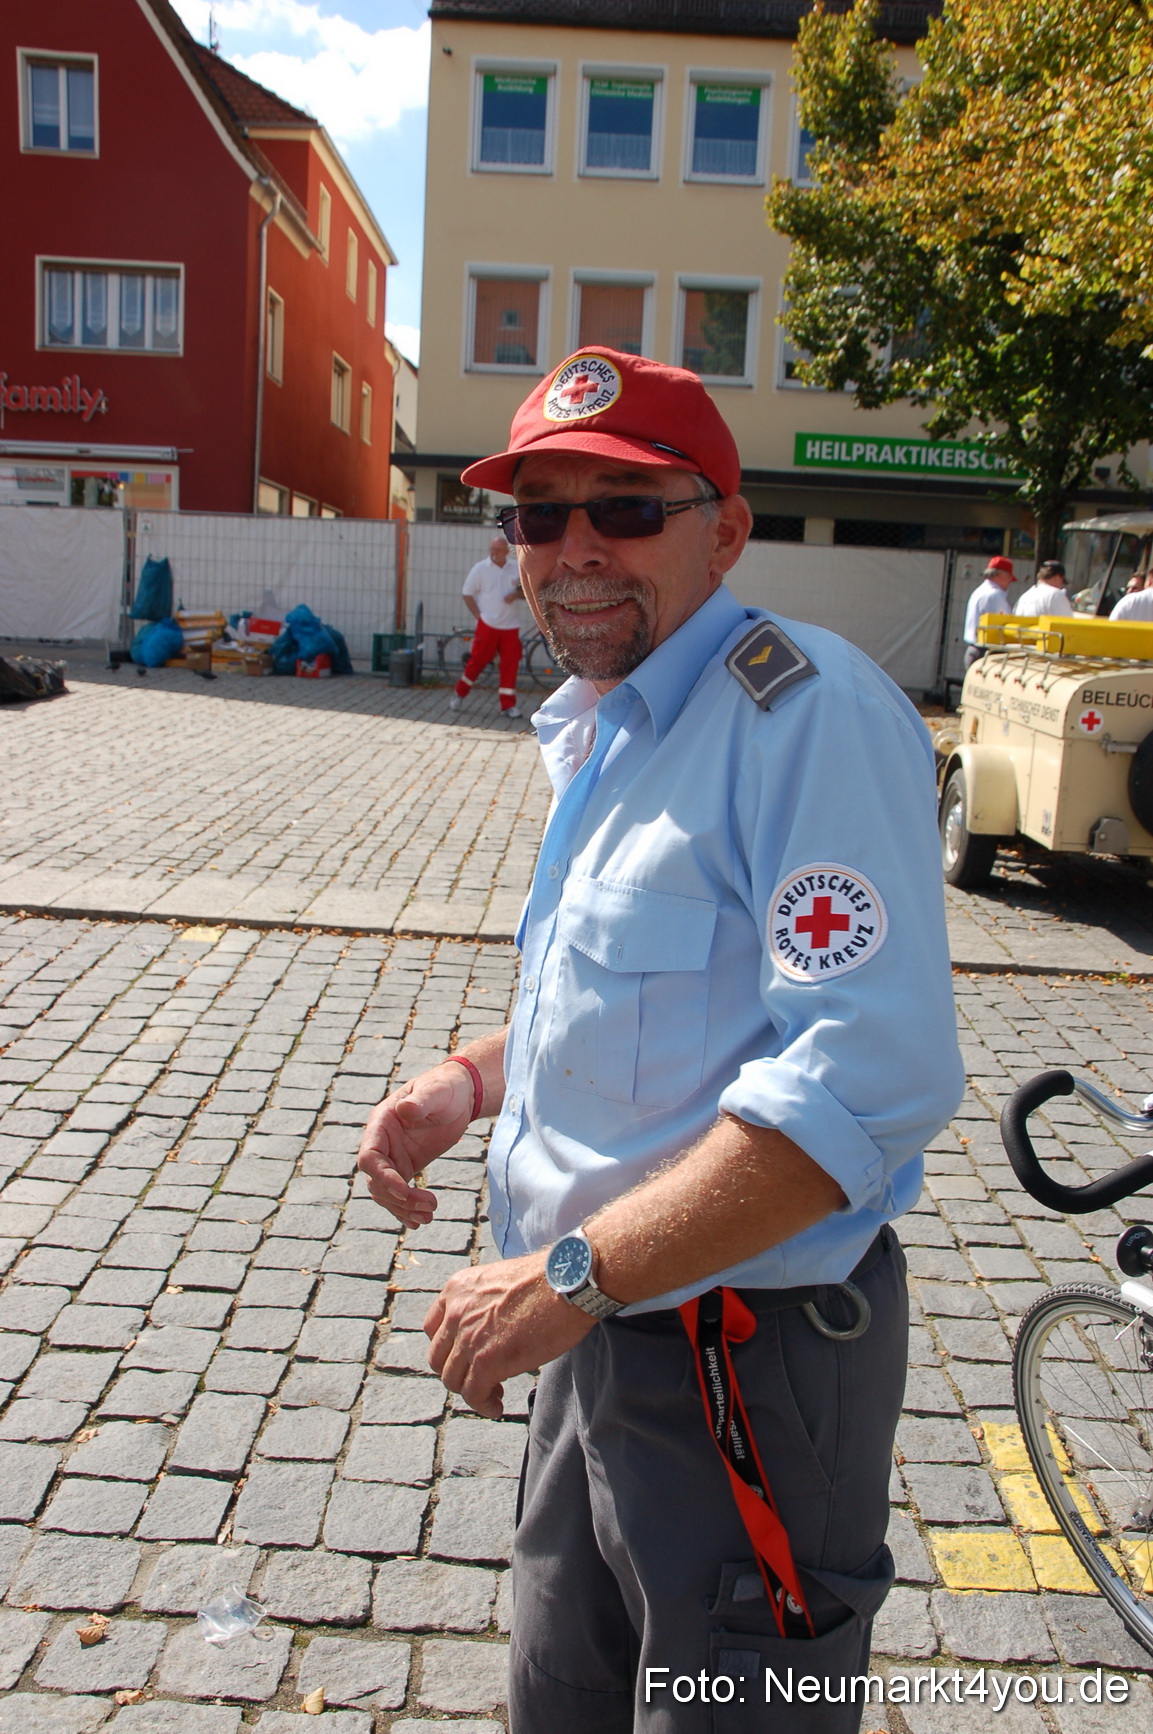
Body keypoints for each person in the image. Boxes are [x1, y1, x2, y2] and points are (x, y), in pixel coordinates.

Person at [358, 348, 964, 1734]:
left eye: (625, 508)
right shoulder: (613, 722)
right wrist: (467, 1082)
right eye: (536, 513)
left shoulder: (802, 713)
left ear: (726, 530)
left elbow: (857, 1090)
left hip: (735, 1357)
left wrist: (570, 1271)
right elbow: (629, 994)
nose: (572, 549)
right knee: (561, 1703)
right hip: (594, 1332)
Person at [450, 535, 524, 717]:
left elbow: (526, 591)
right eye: (492, 549)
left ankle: (508, 706)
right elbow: (467, 593)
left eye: (498, 550)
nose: (494, 553)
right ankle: (460, 693)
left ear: (507, 551)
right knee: (477, 661)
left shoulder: (516, 567)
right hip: (488, 624)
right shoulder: (480, 569)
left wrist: (516, 594)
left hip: (510, 626)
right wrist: (478, 615)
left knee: (510, 664)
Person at [962, 554, 1015, 666]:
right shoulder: (995, 596)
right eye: (1010, 576)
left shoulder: (980, 591)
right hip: (986, 654)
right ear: (1000, 574)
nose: (1011, 581)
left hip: (974, 650)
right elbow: (1005, 627)